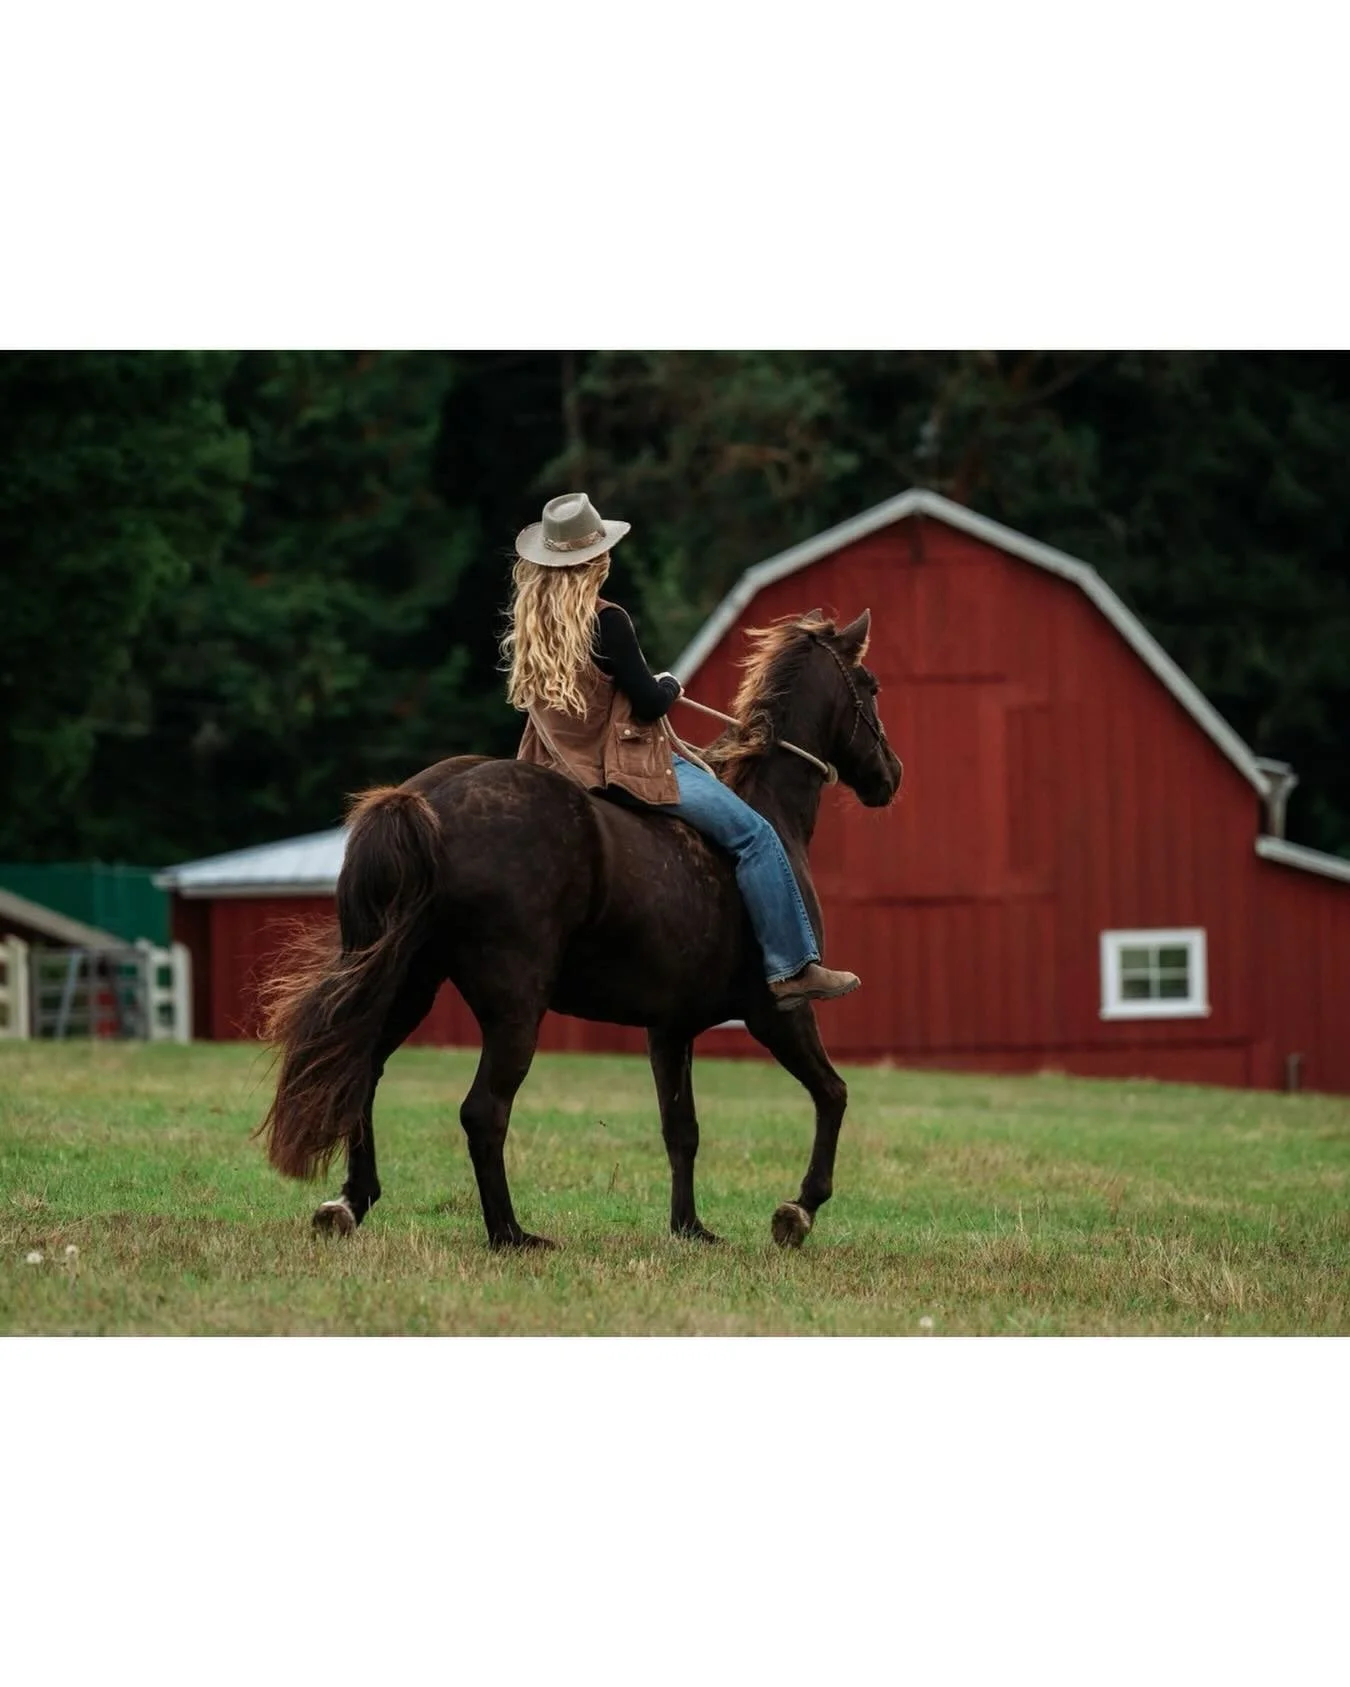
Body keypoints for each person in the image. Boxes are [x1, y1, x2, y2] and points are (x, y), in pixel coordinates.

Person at [502, 492, 860, 1011]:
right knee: (755, 836)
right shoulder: (608, 621)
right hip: (623, 767)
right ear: (597, 561)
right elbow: (647, 705)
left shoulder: (533, 628)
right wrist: (666, 686)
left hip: (556, 768)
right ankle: (792, 969)